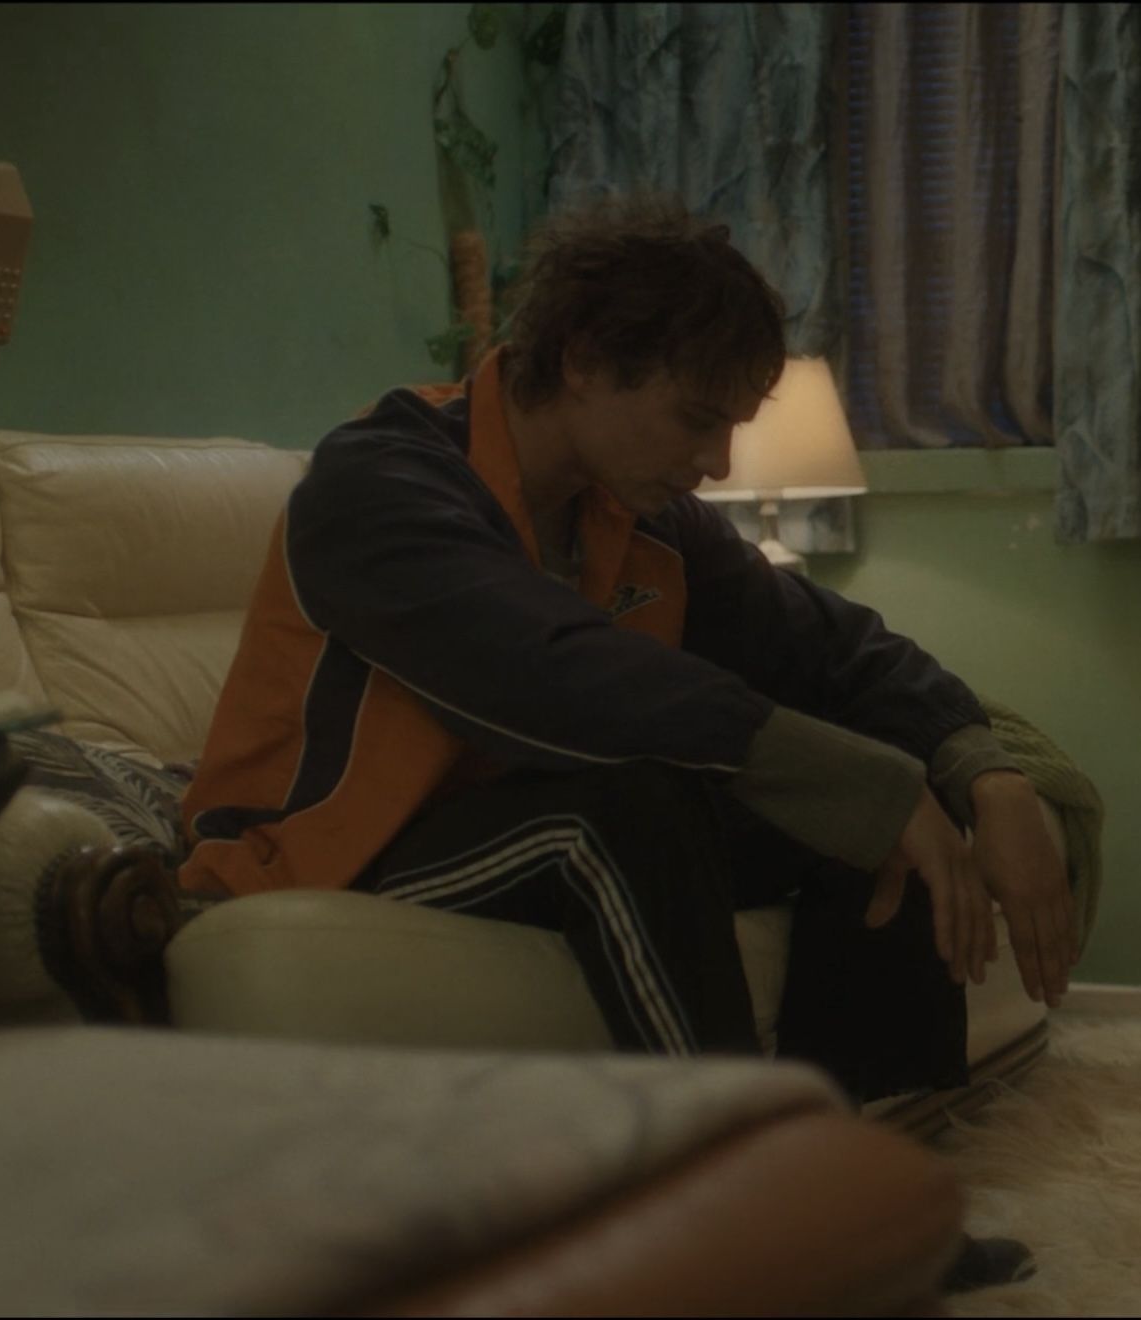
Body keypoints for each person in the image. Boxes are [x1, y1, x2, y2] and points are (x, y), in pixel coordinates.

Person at [179, 195, 1081, 1102]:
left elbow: (830, 646)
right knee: (629, 802)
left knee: (868, 802)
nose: (719, 463)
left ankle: (877, 1158)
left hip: (518, 827)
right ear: (584, 360)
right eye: (697, 420)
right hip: (333, 854)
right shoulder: (378, 482)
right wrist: (865, 787)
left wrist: (983, 772)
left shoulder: (642, 515)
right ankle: (742, 1167)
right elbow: (554, 673)